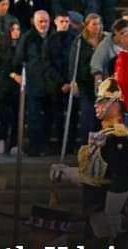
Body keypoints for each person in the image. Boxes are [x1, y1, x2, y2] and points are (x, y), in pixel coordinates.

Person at [50, 77, 128, 246]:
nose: (97, 105)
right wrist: (66, 172)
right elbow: (91, 176)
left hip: (105, 208)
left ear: (115, 104)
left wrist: (112, 213)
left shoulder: (119, 137)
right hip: (94, 205)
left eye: (102, 102)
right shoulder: (104, 134)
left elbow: (120, 177)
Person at [11, 10, 50, 156]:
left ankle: (45, 146)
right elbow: (19, 58)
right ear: (34, 22)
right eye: (40, 21)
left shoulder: (53, 36)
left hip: (50, 83)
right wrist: (16, 74)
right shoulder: (27, 37)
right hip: (33, 83)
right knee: (33, 116)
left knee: (48, 116)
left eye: (46, 21)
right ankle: (34, 147)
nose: (43, 24)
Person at [70, 13, 105, 151]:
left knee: (101, 115)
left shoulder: (105, 40)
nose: (97, 27)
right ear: (87, 25)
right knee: (87, 113)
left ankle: (101, 147)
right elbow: (73, 63)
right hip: (85, 83)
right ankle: (86, 146)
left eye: (99, 24)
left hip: (103, 83)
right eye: (94, 24)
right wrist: (74, 81)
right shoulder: (79, 41)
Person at [43, 12, 76, 153]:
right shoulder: (49, 40)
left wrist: (70, 82)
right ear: (55, 22)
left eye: (67, 21)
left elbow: (76, 61)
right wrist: (61, 82)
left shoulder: (74, 39)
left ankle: (71, 144)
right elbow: (47, 63)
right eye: (62, 21)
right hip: (55, 84)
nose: (64, 24)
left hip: (71, 83)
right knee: (56, 115)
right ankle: (58, 145)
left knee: (72, 114)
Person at [0, 20, 20, 153]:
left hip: (17, 88)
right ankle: (1, 139)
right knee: (4, 115)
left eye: (18, 29)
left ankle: (14, 144)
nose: (16, 32)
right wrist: (12, 74)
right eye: (13, 29)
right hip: (4, 85)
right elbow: (3, 66)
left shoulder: (21, 47)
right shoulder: (2, 48)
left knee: (17, 115)